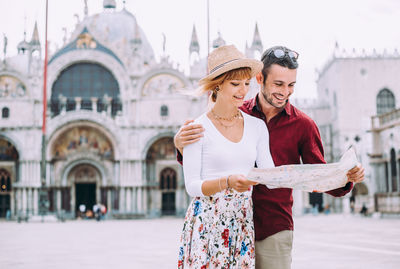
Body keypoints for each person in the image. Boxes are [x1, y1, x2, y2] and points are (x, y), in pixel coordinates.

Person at [175, 45, 365, 269]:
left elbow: (315, 175)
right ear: (260, 79)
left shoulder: (303, 125)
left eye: (291, 85)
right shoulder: (233, 111)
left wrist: (345, 176)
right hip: (220, 223)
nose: (285, 92)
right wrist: (180, 145)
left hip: (272, 225)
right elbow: (202, 168)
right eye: (278, 84)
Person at [177, 45, 275, 268]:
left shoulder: (257, 127)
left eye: (247, 83)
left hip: (241, 221)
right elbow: (192, 186)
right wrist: (227, 182)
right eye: (235, 84)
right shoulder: (197, 127)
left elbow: (269, 176)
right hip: (206, 223)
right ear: (217, 85)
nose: (243, 91)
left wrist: (315, 177)